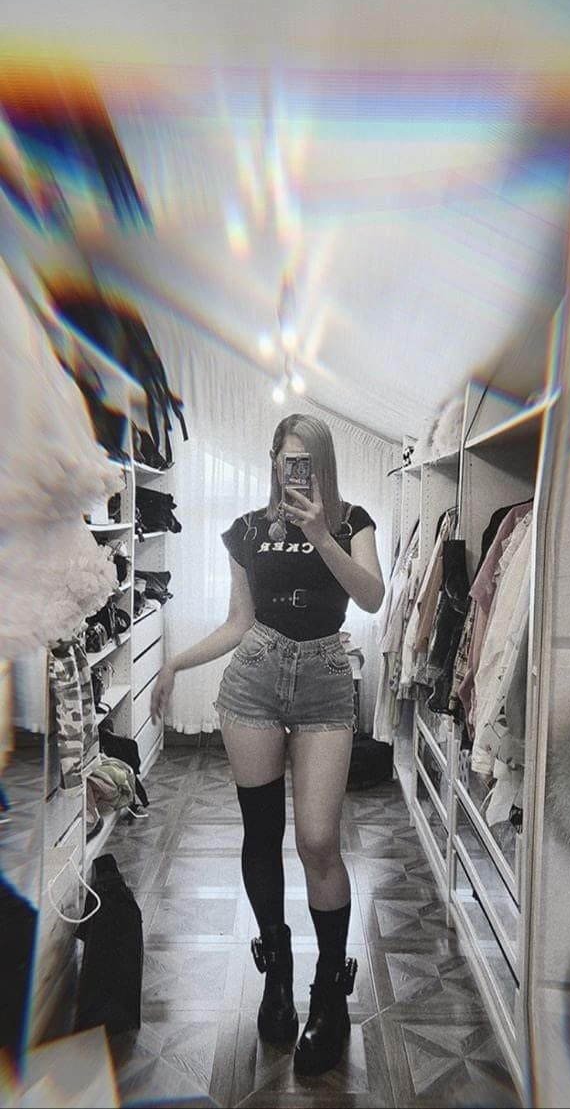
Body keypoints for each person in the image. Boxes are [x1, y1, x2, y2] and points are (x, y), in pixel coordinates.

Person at [150, 413, 385, 1076]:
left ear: (323, 464)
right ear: (273, 460)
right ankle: (277, 974)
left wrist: (321, 534)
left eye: (307, 460)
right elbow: (238, 623)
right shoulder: (248, 529)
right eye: (287, 459)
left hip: (325, 684)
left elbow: (372, 597)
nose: (295, 470)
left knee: (318, 840)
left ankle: (330, 995)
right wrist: (174, 663)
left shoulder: (352, 522)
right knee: (260, 833)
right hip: (253, 680)